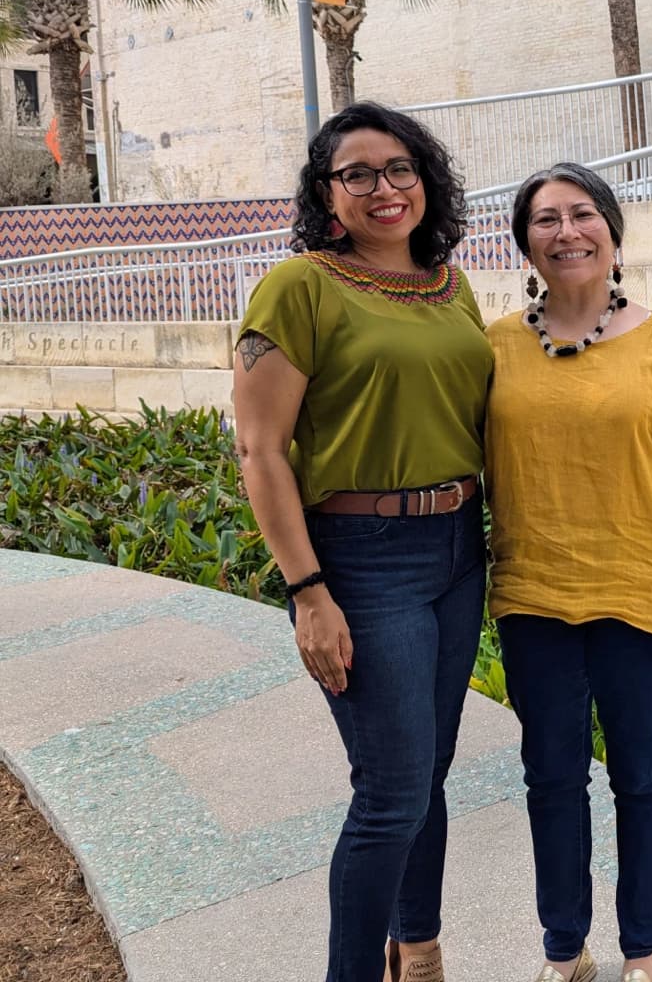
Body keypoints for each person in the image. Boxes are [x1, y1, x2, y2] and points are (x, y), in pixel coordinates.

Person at [233, 103, 492, 982]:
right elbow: (260, 449)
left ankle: (416, 953)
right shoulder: (299, 286)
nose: (384, 189)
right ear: (326, 193)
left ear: (426, 181)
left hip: (460, 550)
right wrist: (308, 592)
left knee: (431, 773)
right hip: (363, 559)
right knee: (390, 794)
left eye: (400, 169)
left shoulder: (453, 286)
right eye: (359, 174)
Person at [485, 163, 652, 982]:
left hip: (638, 598)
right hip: (533, 599)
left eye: (583, 214)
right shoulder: (496, 349)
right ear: (525, 244)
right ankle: (566, 950)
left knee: (643, 783)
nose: (566, 231)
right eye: (545, 219)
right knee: (550, 780)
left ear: (613, 236)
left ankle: (641, 955)